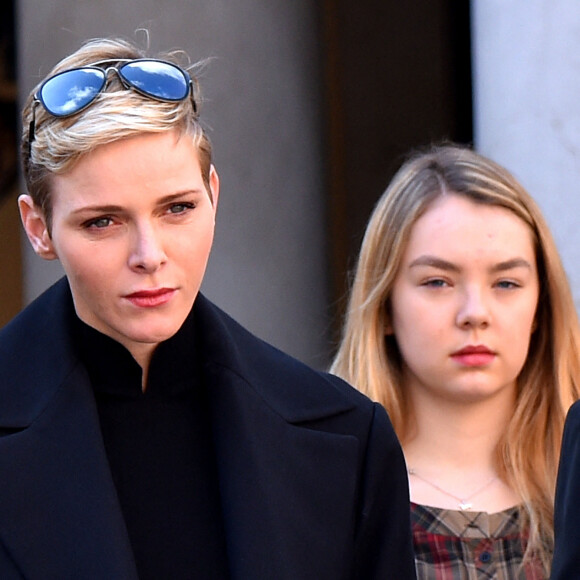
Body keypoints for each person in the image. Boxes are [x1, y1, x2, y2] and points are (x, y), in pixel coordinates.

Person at [0, 36, 416, 579]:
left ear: (213, 196)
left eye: (178, 208)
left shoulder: (348, 437)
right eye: (102, 221)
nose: (150, 256)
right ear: (39, 229)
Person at [330, 143, 580, 579]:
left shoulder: (573, 491)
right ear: (385, 304)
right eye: (438, 281)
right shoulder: (321, 489)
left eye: (506, 282)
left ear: (541, 305)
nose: (475, 313)